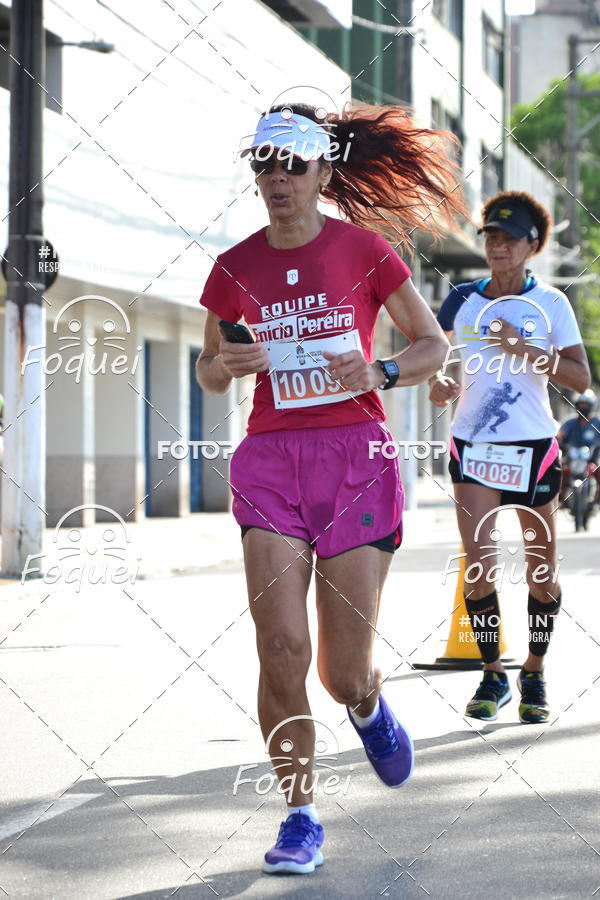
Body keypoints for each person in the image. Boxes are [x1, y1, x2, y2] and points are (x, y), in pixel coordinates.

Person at [197, 102, 465, 874]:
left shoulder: (364, 251)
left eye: (291, 163)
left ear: (321, 171)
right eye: (264, 164)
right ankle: (300, 816)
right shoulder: (234, 267)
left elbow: (430, 344)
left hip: (356, 460)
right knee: (280, 647)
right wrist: (225, 368)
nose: (276, 177)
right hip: (271, 463)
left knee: (340, 672)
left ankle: (368, 705)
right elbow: (209, 367)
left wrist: (378, 370)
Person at [429, 190, 591, 725]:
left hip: (534, 447)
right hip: (473, 445)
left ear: (533, 245)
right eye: (490, 237)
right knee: (479, 564)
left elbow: (579, 378)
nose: (497, 246)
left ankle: (536, 671)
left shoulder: (551, 303)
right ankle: (494, 673)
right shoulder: (464, 301)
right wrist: (443, 381)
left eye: (508, 238)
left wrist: (523, 348)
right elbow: (444, 359)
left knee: (541, 571)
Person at [558, 389, 600, 503]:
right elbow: (561, 434)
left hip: (591, 460)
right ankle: (560, 496)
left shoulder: (597, 423)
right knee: (560, 469)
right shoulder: (570, 423)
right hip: (572, 459)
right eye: (581, 404)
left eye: (586, 404)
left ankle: (597, 495)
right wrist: (558, 438)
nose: (583, 407)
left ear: (591, 406)